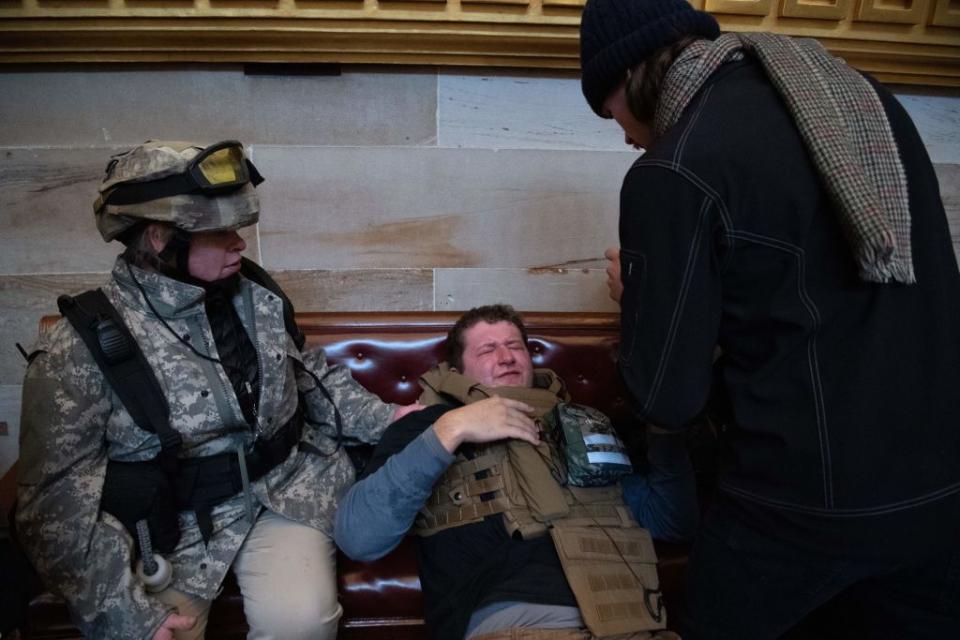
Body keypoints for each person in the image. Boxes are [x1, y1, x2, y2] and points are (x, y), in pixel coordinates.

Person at [578, 1, 960, 638]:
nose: (620, 132)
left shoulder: (673, 168)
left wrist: (639, 295)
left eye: (606, 108)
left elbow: (667, 397)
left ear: (630, 73)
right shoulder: (865, 104)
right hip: (941, 495)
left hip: (798, 515)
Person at [15, 140, 419, 640]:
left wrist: (392, 421)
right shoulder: (79, 346)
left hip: (286, 492)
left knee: (302, 626)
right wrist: (125, 614)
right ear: (162, 239)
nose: (240, 244)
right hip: (169, 528)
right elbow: (54, 503)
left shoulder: (258, 295)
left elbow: (312, 377)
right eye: (221, 232)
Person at [334, 304, 696, 640]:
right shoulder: (427, 426)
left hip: (635, 620)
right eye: (487, 350)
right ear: (458, 372)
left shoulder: (582, 423)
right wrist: (451, 430)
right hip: (522, 624)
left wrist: (665, 428)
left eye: (515, 346)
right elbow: (358, 537)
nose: (506, 357)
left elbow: (669, 522)